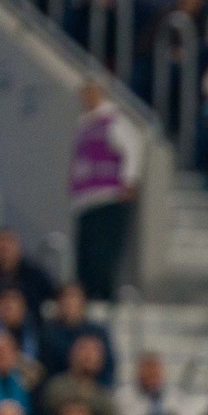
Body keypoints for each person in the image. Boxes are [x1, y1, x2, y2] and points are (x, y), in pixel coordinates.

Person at [70, 81, 143, 302]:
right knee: (87, 251)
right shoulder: (84, 123)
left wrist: (129, 181)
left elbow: (132, 148)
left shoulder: (113, 120)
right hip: (86, 198)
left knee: (105, 249)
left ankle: (103, 292)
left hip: (108, 195)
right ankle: (86, 292)